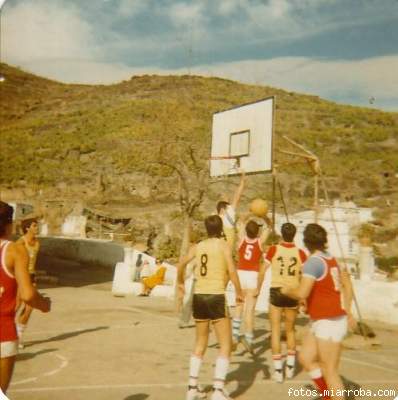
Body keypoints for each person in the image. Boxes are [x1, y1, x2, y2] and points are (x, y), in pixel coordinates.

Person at [281, 223, 356, 400]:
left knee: (329, 370)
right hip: (322, 319)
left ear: (306, 242)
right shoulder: (330, 258)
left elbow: (301, 292)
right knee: (306, 358)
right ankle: (327, 395)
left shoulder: (313, 263)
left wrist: (286, 291)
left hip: (329, 321)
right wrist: (348, 310)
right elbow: (346, 285)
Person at [177, 215, 243, 400]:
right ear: (221, 228)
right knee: (225, 345)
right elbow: (231, 270)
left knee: (200, 343)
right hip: (216, 296)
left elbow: (181, 263)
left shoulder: (198, 246)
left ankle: (191, 389)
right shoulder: (223, 246)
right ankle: (218, 391)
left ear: (206, 228)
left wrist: (180, 282)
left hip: (199, 296)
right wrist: (239, 291)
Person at [0, 202, 51, 394]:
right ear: (8, 224)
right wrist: (44, 305)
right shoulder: (13, 250)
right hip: (2, 332)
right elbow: (29, 295)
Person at [265, 222, 307, 383]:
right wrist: (303, 297)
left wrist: (257, 286)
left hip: (277, 290)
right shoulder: (301, 253)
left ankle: (277, 371)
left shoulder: (274, 249)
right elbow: (304, 276)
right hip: (293, 292)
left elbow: (263, 269)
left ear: (282, 234)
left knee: (275, 330)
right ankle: (289, 367)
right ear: (294, 235)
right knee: (290, 330)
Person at [232, 218, 270, 354]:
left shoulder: (242, 238)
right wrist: (264, 216)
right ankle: (249, 340)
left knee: (238, 307)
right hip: (253, 276)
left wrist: (247, 217)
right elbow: (268, 228)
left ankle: (235, 336)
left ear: (246, 230)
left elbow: (239, 224)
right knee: (250, 311)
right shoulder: (260, 242)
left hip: (240, 274)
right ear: (257, 232)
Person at [15, 217, 40, 348]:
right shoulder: (20, 242)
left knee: (30, 307)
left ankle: (18, 336)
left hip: (31, 276)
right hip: (20, 275)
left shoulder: (37, 243)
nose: (37, 228)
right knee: (16, 306)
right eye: (35, 226)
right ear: (27, 228)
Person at [216, 171, 245, 249]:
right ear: (224, 209)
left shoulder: (215, 219)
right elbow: (237, 194)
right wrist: (243, 179)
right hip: (227, 252)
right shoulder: (229, 213)